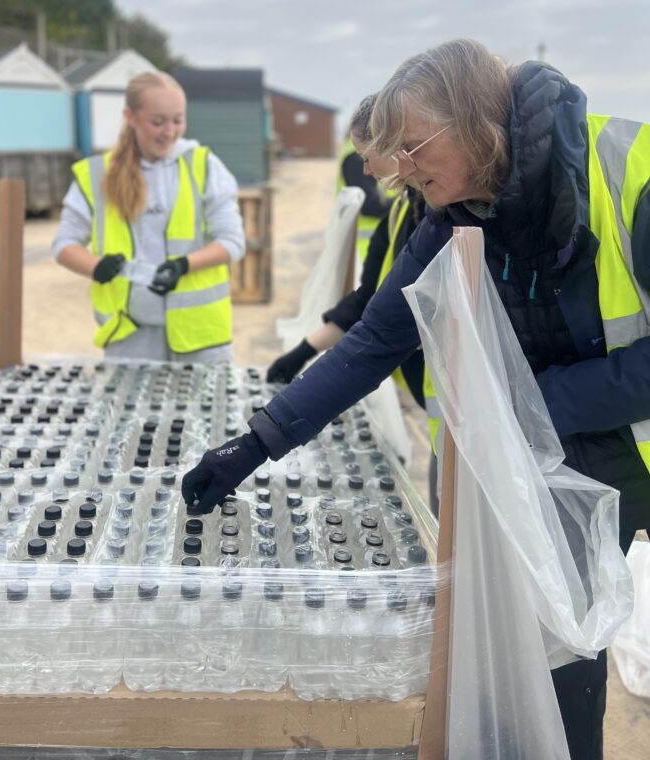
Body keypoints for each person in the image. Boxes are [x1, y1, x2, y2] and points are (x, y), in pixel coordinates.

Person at [182, 38, 650, 760]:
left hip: (608, 433)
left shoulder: (627, 170)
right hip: (561, 463)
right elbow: (377, 338)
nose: (399, 170)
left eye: (411, 147)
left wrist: (535, 402)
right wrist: (258, 441)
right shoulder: (458, 210)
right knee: (559, 662)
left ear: (472, 122)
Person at [53, 71, 245, 363]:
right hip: (129, 338)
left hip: (201, 341)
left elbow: (232, 242)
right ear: (130, 117)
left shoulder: (205, 166)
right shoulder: (97, 175)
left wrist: (183, 265)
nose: (169, 132)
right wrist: (97, 266)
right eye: (157, 122)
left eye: (178, 120)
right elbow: (64, 245)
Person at [268, 94, 426, 408]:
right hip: (425, 389)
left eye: (367, 158)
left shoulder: (435, 218)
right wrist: (304, 351)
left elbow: (386, 324)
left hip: (448, 397)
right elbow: (368, 300)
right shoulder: (399, 213)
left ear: (391, 144)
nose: (365, 170)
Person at [337, 113, 394, 264]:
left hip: (370, 245)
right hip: (365, 248)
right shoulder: (357, 157)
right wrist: (403, 202)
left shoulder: (357, 151)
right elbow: (369, 205)